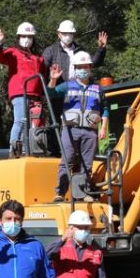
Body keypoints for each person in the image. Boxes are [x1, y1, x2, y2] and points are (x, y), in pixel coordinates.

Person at [48, 52, 105, 203]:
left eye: (85, 66)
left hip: (90, 131)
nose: (83, 69)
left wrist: (103, 128)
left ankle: (82, 192)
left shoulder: (97, 89)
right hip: (70, 129)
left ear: (90, 68)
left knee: (87, 164)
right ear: (75, 69)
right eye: (79, 67)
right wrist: (53, 79)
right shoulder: (67, 86)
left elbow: (104, 110)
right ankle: (60, 192)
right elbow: (50, 93)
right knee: (67, 160)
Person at [0, 22, 44, 157]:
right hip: (20, 93)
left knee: (32, 125)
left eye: (30, 36)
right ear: (18, 37)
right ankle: (14, 150)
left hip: (35, 95)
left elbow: (43, 75)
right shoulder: (13, 52)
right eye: (23, 36)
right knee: (20, 121)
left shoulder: (37, 58)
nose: (27, 39)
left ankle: (27, 152)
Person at [41, 19, 107, 85]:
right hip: (58, 91)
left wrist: (101, 48)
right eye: (64, 33)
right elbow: (42, 69)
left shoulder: (80, 50)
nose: (68, 35)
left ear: (74, 34)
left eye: (70, 33)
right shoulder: (51, 51)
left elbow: (94, 63)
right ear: (59, 34)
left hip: (78, 89)